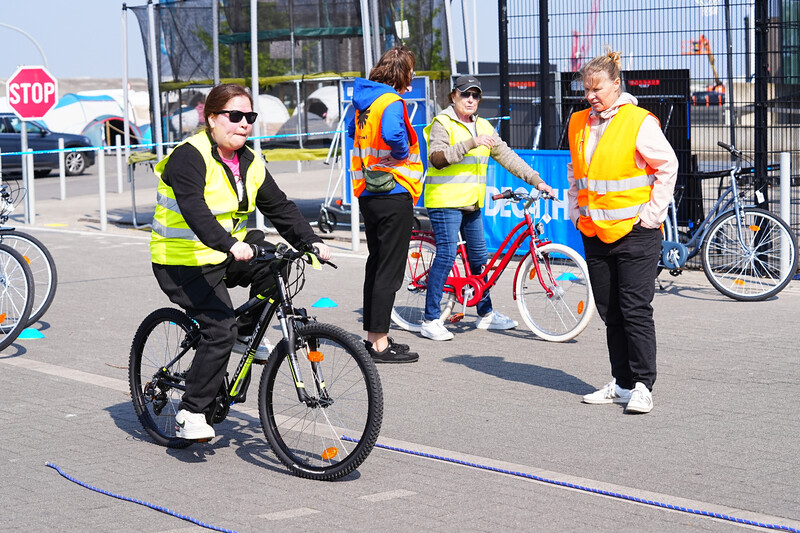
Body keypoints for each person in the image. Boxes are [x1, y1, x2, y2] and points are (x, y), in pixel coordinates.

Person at [150, 83, 331, 440]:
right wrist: (229, 243)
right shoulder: (190, 155)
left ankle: (245, 332)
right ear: (211, 118)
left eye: (249, 117)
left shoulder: (249, 160)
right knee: (218, 329)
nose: (244, 124)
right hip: (182, 260)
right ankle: (190, 411)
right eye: (235, 116)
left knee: (275, 259)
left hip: (224, 252)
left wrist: (310, 240)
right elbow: (195, 210)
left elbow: (279, 206)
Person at [566, 51, 678, 414]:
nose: (590, 96)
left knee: (635, 309)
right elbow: (576, 172)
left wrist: (651, 215)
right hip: (594, 230)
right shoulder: (579, 122)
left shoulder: (638, 121)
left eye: (597, 88)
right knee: (610, 310)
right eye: (586, 90)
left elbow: (668, 166)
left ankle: (644, 384)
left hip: (635, 232)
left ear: (616, 84)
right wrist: (574, 209)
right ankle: (623, 383)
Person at [420, 75, 554, 341]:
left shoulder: (484, 126)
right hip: (445, 201)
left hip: (472, 203)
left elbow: (508, 156)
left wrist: (537, 180)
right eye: (465, 94)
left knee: (480, 259)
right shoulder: (442, 123)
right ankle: (430, 318)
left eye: (476, 95)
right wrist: (471, 143)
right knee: (446, 255)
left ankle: (486, 314)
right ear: (453, 96)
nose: (471, 99)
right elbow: (436, 159)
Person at [348, 46, 423, 364]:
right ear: (403, 74)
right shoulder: (391, 102)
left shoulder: (364, 100)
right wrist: (402, 152)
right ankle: (379, 344)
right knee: (389, 270)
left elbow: (352, 132)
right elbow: (394, 134)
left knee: (376, 264)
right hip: (393, 192)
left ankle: (374, 336)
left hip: (369, 192)